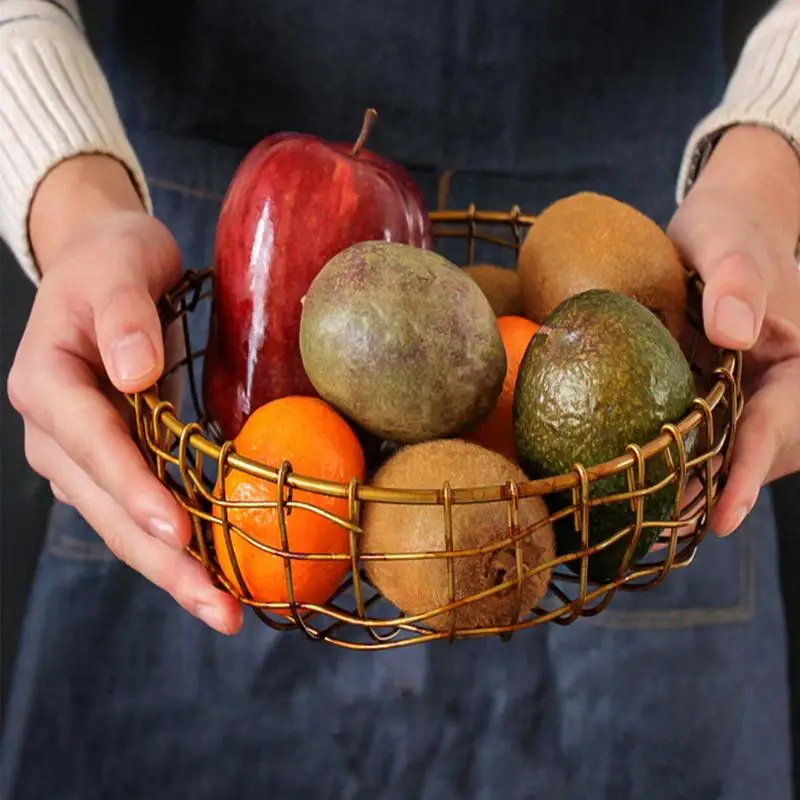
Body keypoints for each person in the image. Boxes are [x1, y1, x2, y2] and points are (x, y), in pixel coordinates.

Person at [1, 1, 799, 797]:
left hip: (646, 303)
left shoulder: (608, 323)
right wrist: (76, 206)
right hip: (205, 339)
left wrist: (766, 171)